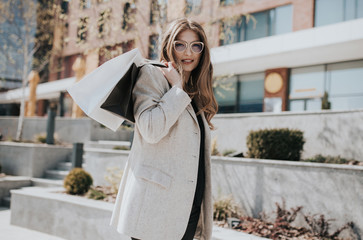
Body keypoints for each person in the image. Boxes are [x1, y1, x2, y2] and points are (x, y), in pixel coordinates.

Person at [110, 18, 218, 240]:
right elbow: (150, 129)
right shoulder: (152, 74)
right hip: (155, 207)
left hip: (187, 209)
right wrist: (176, 89)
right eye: (180, 44)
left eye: (195, 45)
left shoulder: (195, 90)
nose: (188, 52)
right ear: (169, 45)